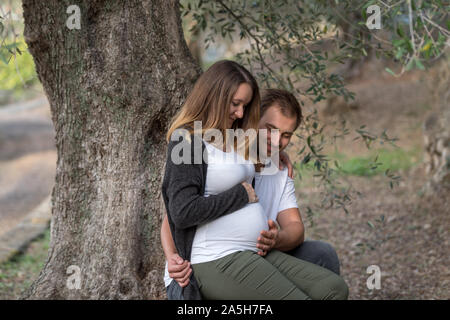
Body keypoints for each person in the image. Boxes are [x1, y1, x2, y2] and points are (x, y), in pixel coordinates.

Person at [161, 60, 348, 300]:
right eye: (235, 104)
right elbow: (178, 211)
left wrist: (278, 154)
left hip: (252, 252)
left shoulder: (238, 143)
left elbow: (294, 226)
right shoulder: (188, 141)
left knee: (334, 289)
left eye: (244, 106)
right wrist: (171, 256)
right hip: (217, 255)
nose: (239, 112)